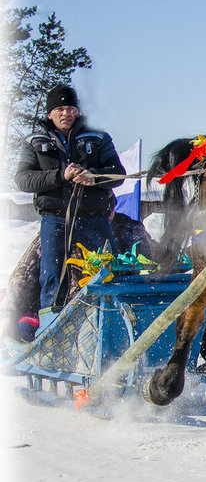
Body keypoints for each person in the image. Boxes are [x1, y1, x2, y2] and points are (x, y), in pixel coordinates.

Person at [14, 84, 125, 324]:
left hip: (95, 219)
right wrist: (60, 175)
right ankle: (49, 329)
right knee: (53, 277)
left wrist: (94, 177)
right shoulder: (34, 142)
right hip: (55, 219)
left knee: (108, 272)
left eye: (71, 108)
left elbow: (118, 173)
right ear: (49, 114)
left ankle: (111, 323)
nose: (66, 114)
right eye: (61, 109)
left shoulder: (98, 138)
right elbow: (23, 179)